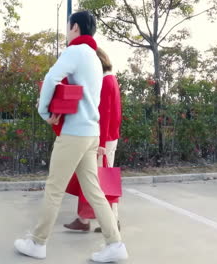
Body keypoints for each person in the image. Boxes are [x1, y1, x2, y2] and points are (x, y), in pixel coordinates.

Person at [14, 11, 128, 263]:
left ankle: (37, 242)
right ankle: (115, 243)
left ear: (75, 27)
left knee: (54, 188)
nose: (67, 31)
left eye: (68, 27)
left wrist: (44, 111)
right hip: (91, 134)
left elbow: (51, 78)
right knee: (94, 191)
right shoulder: (95, 59)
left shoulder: (75, 52)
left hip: (74, 133)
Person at [63, 47, 123, 233]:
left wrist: (102, 144)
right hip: (107, 137)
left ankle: (107, 221)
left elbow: (104, 114)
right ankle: (87, 219)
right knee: (95, 179)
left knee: (98, 181)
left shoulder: (105, 82)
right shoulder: (110, 79)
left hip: (103, 139)